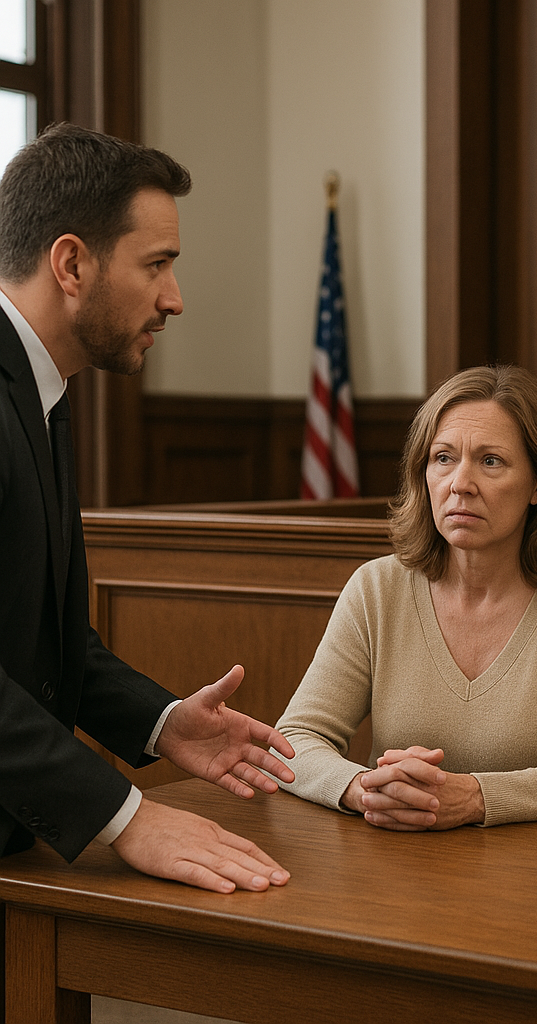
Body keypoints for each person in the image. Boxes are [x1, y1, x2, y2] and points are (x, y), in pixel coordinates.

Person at [0, 123, 296, 894]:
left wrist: (162, 724)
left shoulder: (42, 388)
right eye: (156, 264)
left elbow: (41, 639)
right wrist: (126, 817)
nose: (174, 298)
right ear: (71, 264)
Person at [276, 365, 537, 828]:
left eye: (491, 461)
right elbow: (293, 739)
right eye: (443, 458)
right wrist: (364, 790)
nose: (460, 483)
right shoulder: (376, 587)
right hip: (394, 854)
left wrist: (474, 798)